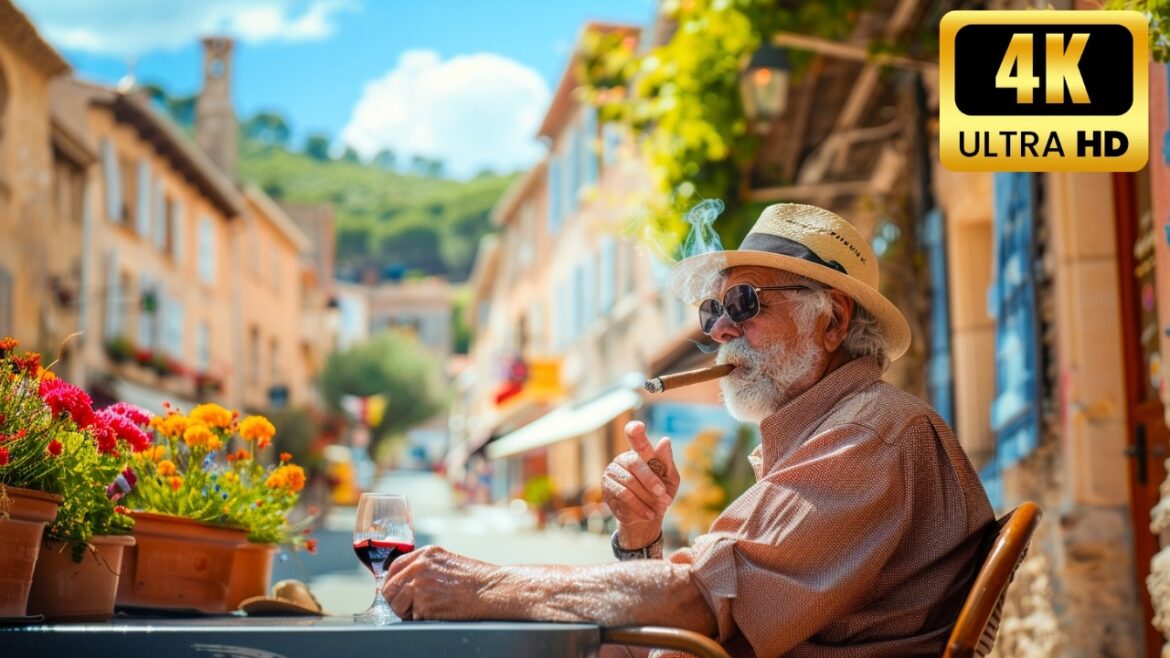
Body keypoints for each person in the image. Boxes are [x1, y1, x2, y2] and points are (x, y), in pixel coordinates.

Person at [384, 203, 995, 657]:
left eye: (746, 304)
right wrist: (642, 541)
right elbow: (706, 609)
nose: (721, 331)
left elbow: (699, 603)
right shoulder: (830, 436)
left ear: (832, 321)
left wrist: (484, 585)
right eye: (714, 309)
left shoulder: (869, 436)